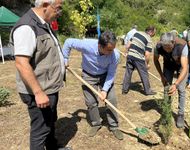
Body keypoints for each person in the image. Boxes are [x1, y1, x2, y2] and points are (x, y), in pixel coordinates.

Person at [11, 0, 70, 150]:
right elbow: (21, 63)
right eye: (57, 9)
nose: (59, 13)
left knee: (50, 122)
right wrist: (38, 92)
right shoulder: (27, 27)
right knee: (40, 130)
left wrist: (61, 62)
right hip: (39, 90)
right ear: (45, 5)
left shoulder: (44, 23)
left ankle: (52, 146)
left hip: (49, 86)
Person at [62, 31, 123, 140]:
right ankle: (96, 123)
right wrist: (65, 58)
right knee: (91, 102)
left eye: (113, 48)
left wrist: (104, 90)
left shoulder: (115, 55)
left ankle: (114, 126)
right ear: (100, 46)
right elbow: (68, 42)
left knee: (111, 100)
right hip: (88, 75)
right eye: (109, 49)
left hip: (105, 76)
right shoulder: (87, 45)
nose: (111, 51)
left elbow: (111, 74)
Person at [154, 32, 189, 128]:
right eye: (165, 48)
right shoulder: (158, 46)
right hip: (168, 65)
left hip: (181, 66)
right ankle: (166, 112)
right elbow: (155, 60)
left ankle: (181, 115)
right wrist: (162, 76)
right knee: (167, 88)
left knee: (181, 89)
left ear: (173, 43)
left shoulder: (182, 45)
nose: (167, 50)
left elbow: (185, 68)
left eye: (169, 47)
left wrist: (176, 84)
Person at [122, 26, 156, 95]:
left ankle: (124, 90)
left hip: (130, 56)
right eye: (154, 32)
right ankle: (148, 91)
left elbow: (128, 44)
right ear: (151, 32)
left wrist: (126, 52)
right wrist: (146, 64)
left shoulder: (137, 33)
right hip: (138, 58)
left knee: (128, 73)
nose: (154, 34)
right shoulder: (149, 39)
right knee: (144, 74)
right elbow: (147, 54)